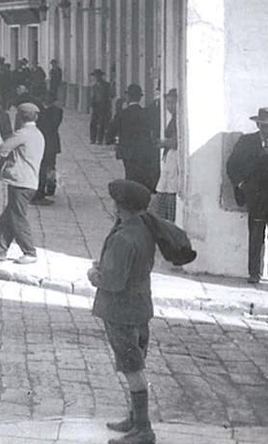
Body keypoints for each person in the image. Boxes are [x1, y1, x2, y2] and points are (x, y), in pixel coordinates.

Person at [87, 179, 159, 444]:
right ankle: (134, 418)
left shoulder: (123, 237)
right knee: (135, 364)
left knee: (132, 369)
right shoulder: (143, 229)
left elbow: (113, 282)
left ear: (120, 207)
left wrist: (94, 274)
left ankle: (143, 429)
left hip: (121, 312)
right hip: (140, 308)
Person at [225, 106, 268, 286]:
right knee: (256, 233)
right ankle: (255, 273)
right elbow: (231, 165)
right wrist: (241, 185)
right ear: (259, 125)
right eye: (265, 126)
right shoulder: (246, 142)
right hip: (256, 196)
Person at [0, 102, 44, 263]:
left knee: (17, 217)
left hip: (20, 181)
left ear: (19, 117)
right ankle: (0, 251)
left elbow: (3, 148)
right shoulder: (38, 133)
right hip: (30, 180)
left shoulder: (21, 133)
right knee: (7, 216)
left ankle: (30, 252)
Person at [110, 85, 159, 191]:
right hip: (143, 150)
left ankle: (131, 196)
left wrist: (115, 141)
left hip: (127, 151)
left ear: (128, 97)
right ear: (140, 98)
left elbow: (111, 130)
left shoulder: (122, 114)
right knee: (142, 175)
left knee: (130, 174)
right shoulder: (146, 113)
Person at [151, 89, 181, 222]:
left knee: (170, 188)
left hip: (174, 157)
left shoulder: (179, 120)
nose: (169, 106)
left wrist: (164, 143)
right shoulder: (173, 119)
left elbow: (177, 141)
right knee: (164, 186)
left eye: (172, 103)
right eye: (167, 103)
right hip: (169, 157)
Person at [33, 91, 64, 204]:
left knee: (47, 167)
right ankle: (45, 189)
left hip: (48, 143)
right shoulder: (53, 110)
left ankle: (46, 189)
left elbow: (51, 125)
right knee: (47, 167)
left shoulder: (52, 111)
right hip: (49, 143)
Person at [89, 69, 114, 144]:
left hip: (104, 106)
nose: (96, 77)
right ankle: (92, 139)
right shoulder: (94, 86)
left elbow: (110, 95)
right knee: (93, 122)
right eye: (95, 76)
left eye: (98, 75)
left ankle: (99, 139)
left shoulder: (106, 85)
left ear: (101, 76)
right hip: (95, 106)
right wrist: (91, 105)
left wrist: (109, 107)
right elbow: (92, 96)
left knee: (102, 123)